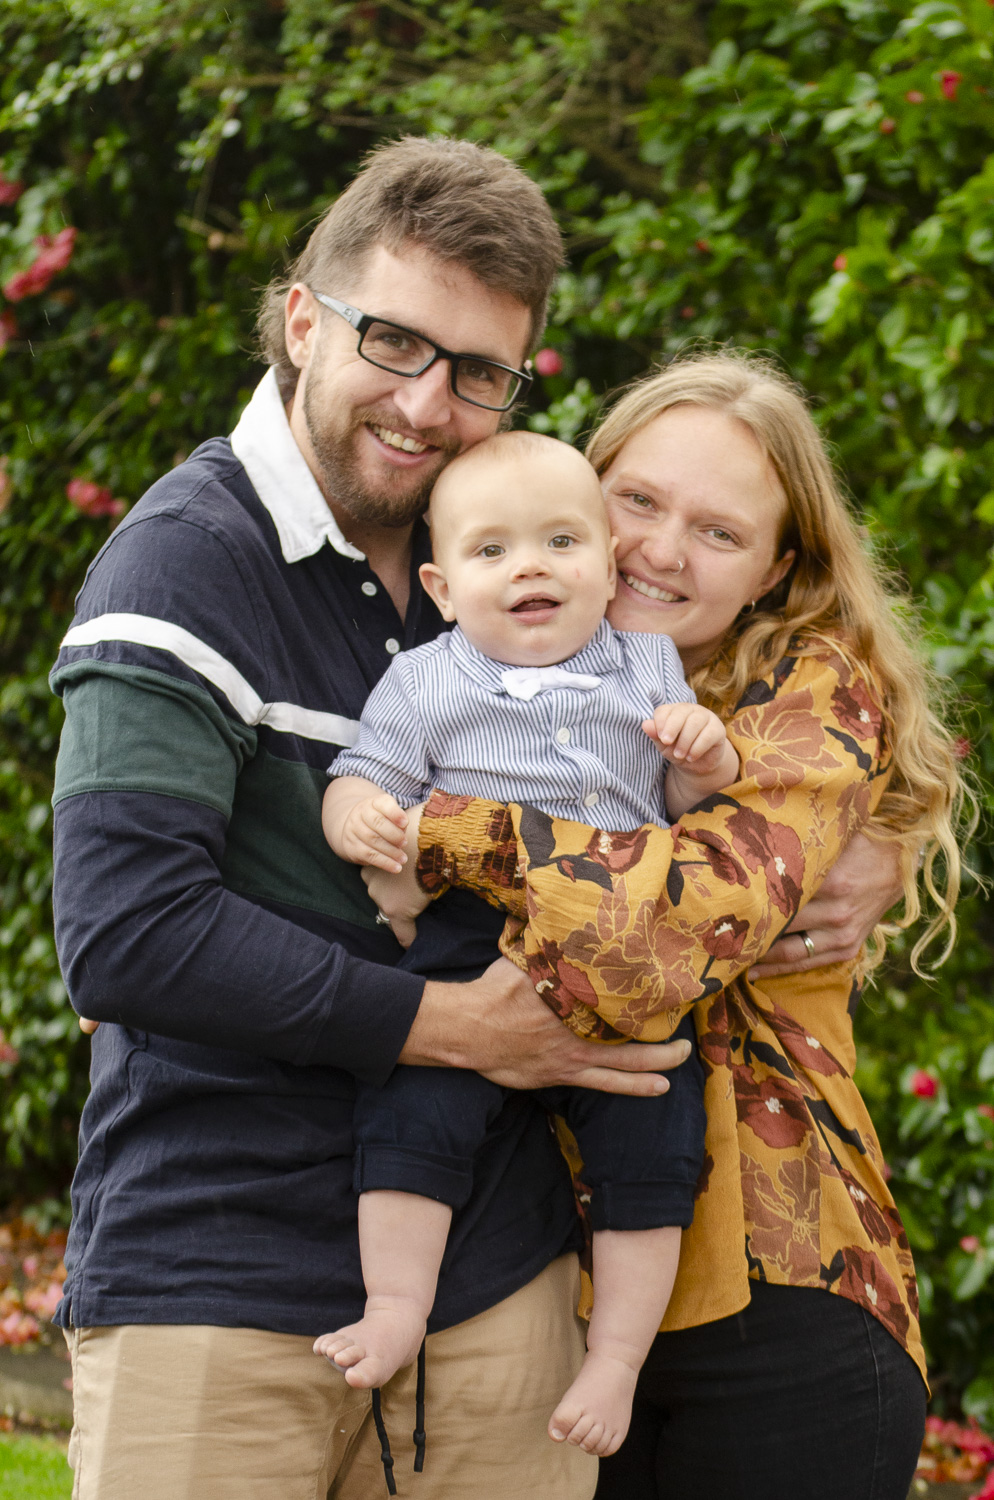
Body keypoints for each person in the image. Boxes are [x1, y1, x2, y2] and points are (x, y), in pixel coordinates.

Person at [48, 136, 700, 1500]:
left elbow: (745, 641)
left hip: (499, 1286)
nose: (425, 404)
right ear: (301, 320)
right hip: (222, 1279)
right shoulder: (183, 566)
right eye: (392, 341)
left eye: (477, 372)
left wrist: (857, 839)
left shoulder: (507, 554)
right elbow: (127, 934)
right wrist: (456, 1027)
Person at [367, 351, 969, 1500]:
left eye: (718, 532)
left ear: (776, 568)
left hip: (774, 1301)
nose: (658, 550)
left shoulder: (807, 686)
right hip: (539, 1282)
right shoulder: (483, 652)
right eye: (636, 501)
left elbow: (652, 941)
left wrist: (434, 823)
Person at [319, 430, 741, 1459]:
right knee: (412, 1111)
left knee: (654, 1138)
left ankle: (615, 1361)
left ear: (608, 561)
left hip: (618, 942)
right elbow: (363, 774)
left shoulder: (646, 663)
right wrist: (356, 815)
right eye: (492, 550)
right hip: (474, 928)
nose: (530, 568)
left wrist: (702, 756)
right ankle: (395, 1305)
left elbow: (686, 801)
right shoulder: (425, 681)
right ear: (442, 587)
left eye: (560, 541)